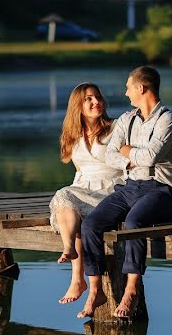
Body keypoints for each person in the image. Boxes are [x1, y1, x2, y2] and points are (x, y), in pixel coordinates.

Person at [77, 66, 172, 319]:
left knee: (134, 222)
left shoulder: (167, 120)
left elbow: (150, 158)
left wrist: (127, 151)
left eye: (128, 87)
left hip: (160, 190)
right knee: (91, 224)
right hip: (129, 187)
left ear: (141, 88)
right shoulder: (127, 119)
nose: (125, 93)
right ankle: (95, 289)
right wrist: (130, 156)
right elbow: (111, 155)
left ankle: (131, 289)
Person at [49, 83, 125, 305]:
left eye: (98, 97)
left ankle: (78, 279)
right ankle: (72, 258)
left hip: (113, 188)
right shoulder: (73, 135)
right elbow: (79, 171)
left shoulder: (117, 128)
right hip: (83, 188)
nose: (96, 102)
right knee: (64, 196)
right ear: (78, 107)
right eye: (89, 99)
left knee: (79, 212)